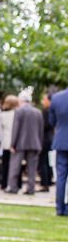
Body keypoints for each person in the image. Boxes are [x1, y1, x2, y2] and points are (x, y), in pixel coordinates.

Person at [5, 89, 44, 195]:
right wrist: (40, 144)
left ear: (21, 100)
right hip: (35, 143)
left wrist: (12, 144)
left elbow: (15, 129)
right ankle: (31, 188)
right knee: (32, 168)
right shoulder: (38, 112)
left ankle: (13, 187)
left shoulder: (19, 111)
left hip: (20, 143)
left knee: (15, 166)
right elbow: (41, 130)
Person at [49, 85, 68, 216]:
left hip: (61, 141)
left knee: (61, 177)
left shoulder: (56, 98)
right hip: (61, 140)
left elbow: (52, 121)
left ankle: (59, 208)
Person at [0, 95, 20, 190]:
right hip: (16, 142)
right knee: (16, 164)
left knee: (5, 164)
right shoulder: (18, 114)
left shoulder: (3, 115)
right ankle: (17, 183)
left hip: (6, 141)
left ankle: (4, 183)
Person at [38, 92, 55, 192]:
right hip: (50, 139)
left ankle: (45, 183)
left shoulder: (46, 111)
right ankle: (48, 181)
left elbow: (44, 126)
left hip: (45, 140)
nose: (42, 102)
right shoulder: (51, 111)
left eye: (44, 99)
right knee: (47, 162)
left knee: (43, 162)